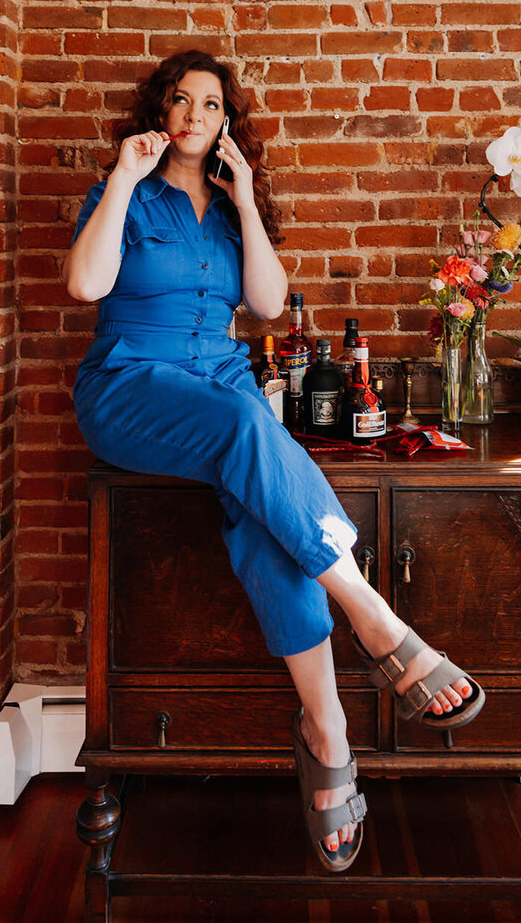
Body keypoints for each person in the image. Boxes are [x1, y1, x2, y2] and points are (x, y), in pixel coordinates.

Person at [63, 49, 484, 872]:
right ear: (159, 111)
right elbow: (85, 285)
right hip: (128, 386)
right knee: (243, 424)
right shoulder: (127, 193)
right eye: (179, 100)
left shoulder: (227, 211)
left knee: (259, 491)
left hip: (221, 388)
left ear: (226, 123)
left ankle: (324, 723)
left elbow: (262, 305)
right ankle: (375, 617)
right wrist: (120, 174)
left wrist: (246, 198)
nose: (192, 114)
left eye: (210, 104)